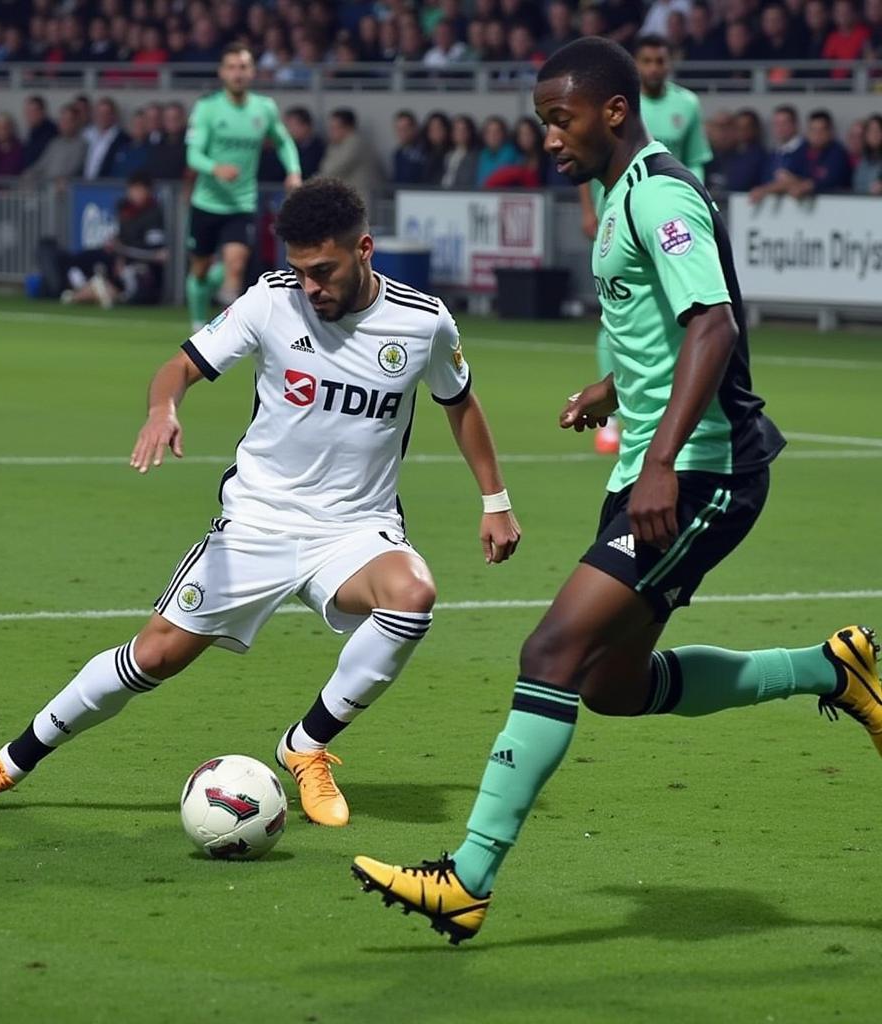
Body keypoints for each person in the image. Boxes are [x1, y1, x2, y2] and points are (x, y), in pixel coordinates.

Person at [352, 34, 881, 946]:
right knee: (611, 685)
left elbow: (713, 328)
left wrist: (668, 457)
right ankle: (834, 666)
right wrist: (615, 390)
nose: (548, 138)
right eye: (540, 123)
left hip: (703, 470)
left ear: (614, 111)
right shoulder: (616, 195)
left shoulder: (661, 192)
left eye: (560, 120)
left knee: (551, 650)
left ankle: (465, 879)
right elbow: (668, 329)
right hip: (654, 463)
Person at [0, 176, 521, 828]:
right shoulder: (271, 302)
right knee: (152, 656)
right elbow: (180, 366)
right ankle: (8, 764)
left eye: (322, 271)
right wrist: (163, 409)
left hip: (354, 530)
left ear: (364, 250)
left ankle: (307, 745)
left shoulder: (422, 322)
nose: (311, 286)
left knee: (412, 597)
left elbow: (460, 403)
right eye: (300, 271)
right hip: (256, 523)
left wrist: (495, 499)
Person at [580, 33, 711, 457]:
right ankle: (620, 414)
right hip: (615, 219)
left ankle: (677, 410)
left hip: (667, 220)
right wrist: (590, 211)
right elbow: (586, 161)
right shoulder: (620, 104)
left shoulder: (686, 105)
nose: (655, 67)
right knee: (616, 315)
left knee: (687, 315)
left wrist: (696, 204)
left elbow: (694, 161)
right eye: (648, 61)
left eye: (661, 59)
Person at [185, 43, 302, 332]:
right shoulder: (208, 108)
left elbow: (284, 141)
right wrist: (216, 167)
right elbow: (193, 155)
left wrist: (294, 171)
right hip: (207, 202)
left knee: (236, 265)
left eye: (244, 67)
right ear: (222, 72)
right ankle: (198, 320)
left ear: (252, 72)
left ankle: (226, 330)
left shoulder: (264, 108)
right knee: (199, 270)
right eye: (232, 67)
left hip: (241, 203)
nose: (238, 73)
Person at [50, 172, 168, 308]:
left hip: (140, 267)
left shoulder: (154, 215)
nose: (135, 194)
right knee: (81, 259)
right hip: (119, 257)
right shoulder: (124, 209)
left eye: (139, 189)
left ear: (148, 191)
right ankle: (93, 290)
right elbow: (121, 238)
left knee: (130, 276)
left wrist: (123, 251)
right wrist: (115, 245)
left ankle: (90, 293)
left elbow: (156, 253)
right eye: (132, 189)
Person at [318, 107, 387, 200]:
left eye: (334, 128)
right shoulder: (336, 144)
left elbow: (333, 169)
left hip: (365, 199)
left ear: (347, 127)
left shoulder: (356, 143)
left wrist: (308, 184)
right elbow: (325, 167)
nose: (330, 132)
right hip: (351, 199)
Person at [20, 103, 86, 186]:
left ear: (76, 122)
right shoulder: (55, 143)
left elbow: (74, 169)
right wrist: (28, 174)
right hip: (47, 188)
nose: (64, 124)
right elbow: (42, 164)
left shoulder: (81, 144)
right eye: (62, 120)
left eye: (68, 120)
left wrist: (61, 180)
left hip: (66, 190)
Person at [441, 113, 479, 189]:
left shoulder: (475, 156)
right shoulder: (448, 155)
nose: (460, 133)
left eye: (464, 130)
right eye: (457, 129)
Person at [22, 96, 57, 172]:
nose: (29, 116)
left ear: (42, 112)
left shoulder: (51, 132)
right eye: (28, 112)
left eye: (33, 112)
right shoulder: (31, 132)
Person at [853, 113, 882, 194]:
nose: (874, 134)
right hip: (865, 203)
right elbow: (857, 186)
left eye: (878, 130)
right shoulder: (863, 159)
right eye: (871, 130)